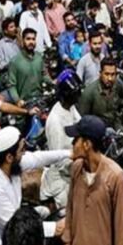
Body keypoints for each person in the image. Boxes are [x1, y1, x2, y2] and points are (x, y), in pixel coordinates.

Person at [0, 126, 71, 245]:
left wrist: (69, 153)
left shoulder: (7, 163)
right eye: (22, 149)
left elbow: (37, 158)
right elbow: (19, 229)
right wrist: (56, 228)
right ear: (9, 157)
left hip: (12, 230)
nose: (25, 153)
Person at [62, 115, 123, 245]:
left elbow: (120, 225)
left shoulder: (115, 177)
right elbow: (70, 211)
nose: (72, 143)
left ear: (87, 144)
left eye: (76, 139)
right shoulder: (76, 169)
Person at [42, 70, 83, 212]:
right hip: (62, 176)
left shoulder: (70, 107)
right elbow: (59, 160)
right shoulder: (55, 121)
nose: (78, 96)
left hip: (75, 161)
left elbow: (80, 124)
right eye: (75, 93)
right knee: (70, 210)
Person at [79, 57, 123, 130]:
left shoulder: (117, 83)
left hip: (115, 123)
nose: (110, 78)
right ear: (100, 73)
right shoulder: (89, 92)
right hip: (98, 129)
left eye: (113, 74)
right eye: (107, 74)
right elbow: (82, 120)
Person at [7, 28, 50, 106]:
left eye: (33, 39)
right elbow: (11, 85)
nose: (31, 42)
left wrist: (53, 82)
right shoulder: (15, 62)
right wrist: (17, 101)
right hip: (25, 103)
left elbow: (44, 75)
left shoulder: (39, 57)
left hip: (40, 98)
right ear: (23, 41)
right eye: (28, 39)